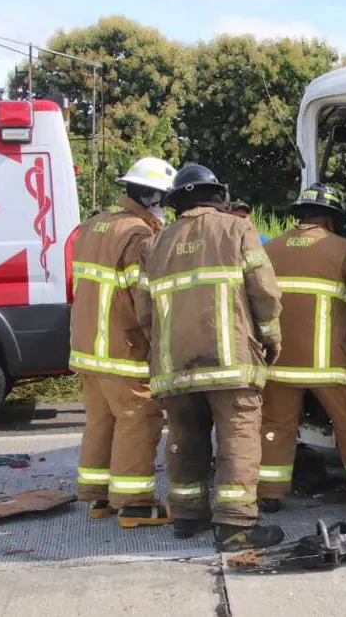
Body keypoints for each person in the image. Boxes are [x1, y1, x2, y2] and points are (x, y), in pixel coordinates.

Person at [135, 163, 286, 552]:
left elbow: (144, 313)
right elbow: (264, 292)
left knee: (185, 437)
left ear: (177, 202)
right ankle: (235, 524)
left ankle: (188, 516)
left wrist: (164, 348)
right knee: (238, 436)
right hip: (230, 363)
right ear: (218, 196)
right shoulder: (237, 230)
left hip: (174, 367)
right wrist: (270, 337)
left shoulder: (154, 245)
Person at [68, 156, 175, 529]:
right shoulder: (137, 235)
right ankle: (134, 503)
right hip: (122, 349)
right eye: (165, 199)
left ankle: (98, 496)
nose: (166, 208)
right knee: (138, 419)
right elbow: (144, 298)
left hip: (88, 348)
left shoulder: (93, 226)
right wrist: (160, 340)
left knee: (101, 420)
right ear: (151, 197)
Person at [256, 183, 346, 512]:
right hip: (331, 365)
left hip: (280, 363)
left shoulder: (270, 249)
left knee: (275, 427)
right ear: (332, 220)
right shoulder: (343, 249)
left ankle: (269, 493)